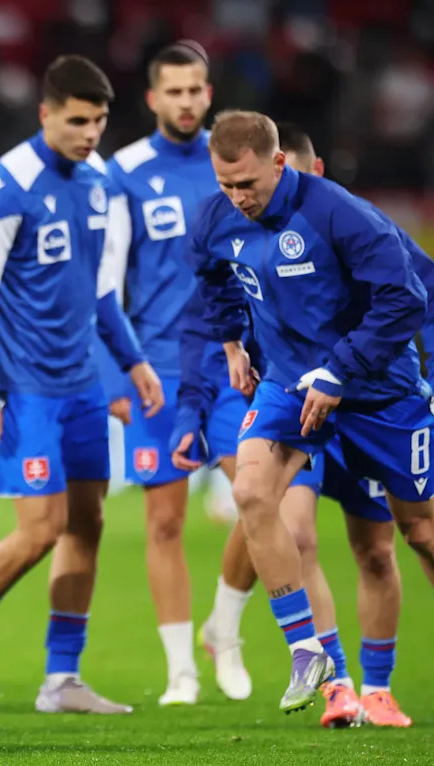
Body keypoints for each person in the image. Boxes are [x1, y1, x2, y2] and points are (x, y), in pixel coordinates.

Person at [0, 55, 164, 714]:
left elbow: (99, 290)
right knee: (40, 529)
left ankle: (62, 680)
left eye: (98, 121)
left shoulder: (96, 182)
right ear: (46, 114)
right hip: (24, 389)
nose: (90, 134)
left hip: (83, 386)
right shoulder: (8, 184)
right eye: (77, 120)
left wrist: (133, 359)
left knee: (86, 525)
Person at [182, 122, 430, 727]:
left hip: (377, 393)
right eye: (225, 184)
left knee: (414, 537)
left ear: (280, 163)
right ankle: (312, 657)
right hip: (288, 386)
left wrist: (339, 371)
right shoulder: (216, 217)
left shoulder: (341, 214)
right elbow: (213, 278)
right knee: (250, 493)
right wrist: (233, 342)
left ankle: (377, 687)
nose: (237, 197)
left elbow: (407, 300)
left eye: (246, 183)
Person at [101, 41, 242, 706]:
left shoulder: (236, 160)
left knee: (264, 503)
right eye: (174, 92)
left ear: (207, 94)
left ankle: (225, 622)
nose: (187, 102)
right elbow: (104, 283)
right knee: (164, 523)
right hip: (158, 369)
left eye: (196, 90)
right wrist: (114, 374)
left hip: (236, 360)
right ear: (153, 99)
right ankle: (181, 671)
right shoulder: (123, 172)